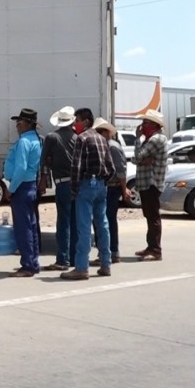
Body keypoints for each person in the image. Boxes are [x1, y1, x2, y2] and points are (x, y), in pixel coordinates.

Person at [60, 108, 115, 281]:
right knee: (102, 225)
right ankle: (106, 263)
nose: (75, 123)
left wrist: (74, 189)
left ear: (85, 122)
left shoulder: (82, 139)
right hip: (100, 185)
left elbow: (76, 167)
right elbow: (111, 167)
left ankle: (81, 267)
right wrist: (103, 181)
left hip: (86, 184)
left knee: (83, 227)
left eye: (77, 120)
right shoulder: (102, 139)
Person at [4, 108, 43, 277]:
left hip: (22, 186)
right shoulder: (36, 140)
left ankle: (27, 265)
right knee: (31, 226)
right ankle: (33, 262)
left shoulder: (24, 142)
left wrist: (11, 189)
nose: (17, 126)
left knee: (23, 227)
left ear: (27, 124)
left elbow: (21, 168)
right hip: (30, 185)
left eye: (19, 123)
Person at [38, 106, 77, 272]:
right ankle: (75, 257)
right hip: (77, 183)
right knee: (75, 222)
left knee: (63, 223)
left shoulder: (52, 137)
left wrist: (43, 180)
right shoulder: (78, 138)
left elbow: (44, 160)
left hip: (62, 183)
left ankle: (62, 259)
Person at [92, 118, 130, 265]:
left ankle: (112, 252)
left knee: (107, 220)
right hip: (105, 186)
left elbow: (121, 170)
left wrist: (123, 188)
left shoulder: (112, 147)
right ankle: (106, 251)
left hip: (112, 187)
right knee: (101, 220)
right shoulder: (103, 145)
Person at [133, 109, 169, 262]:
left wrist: (137, 140)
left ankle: (155, 250)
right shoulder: (152, 139)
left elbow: (137, 158)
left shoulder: (155, 139)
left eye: (145, 123)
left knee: (153, 216)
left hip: (151, 183)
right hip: (147, 183)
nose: (142, 126)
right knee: (150, 216)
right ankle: (151, 247)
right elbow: (141, 158)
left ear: (154, 124)